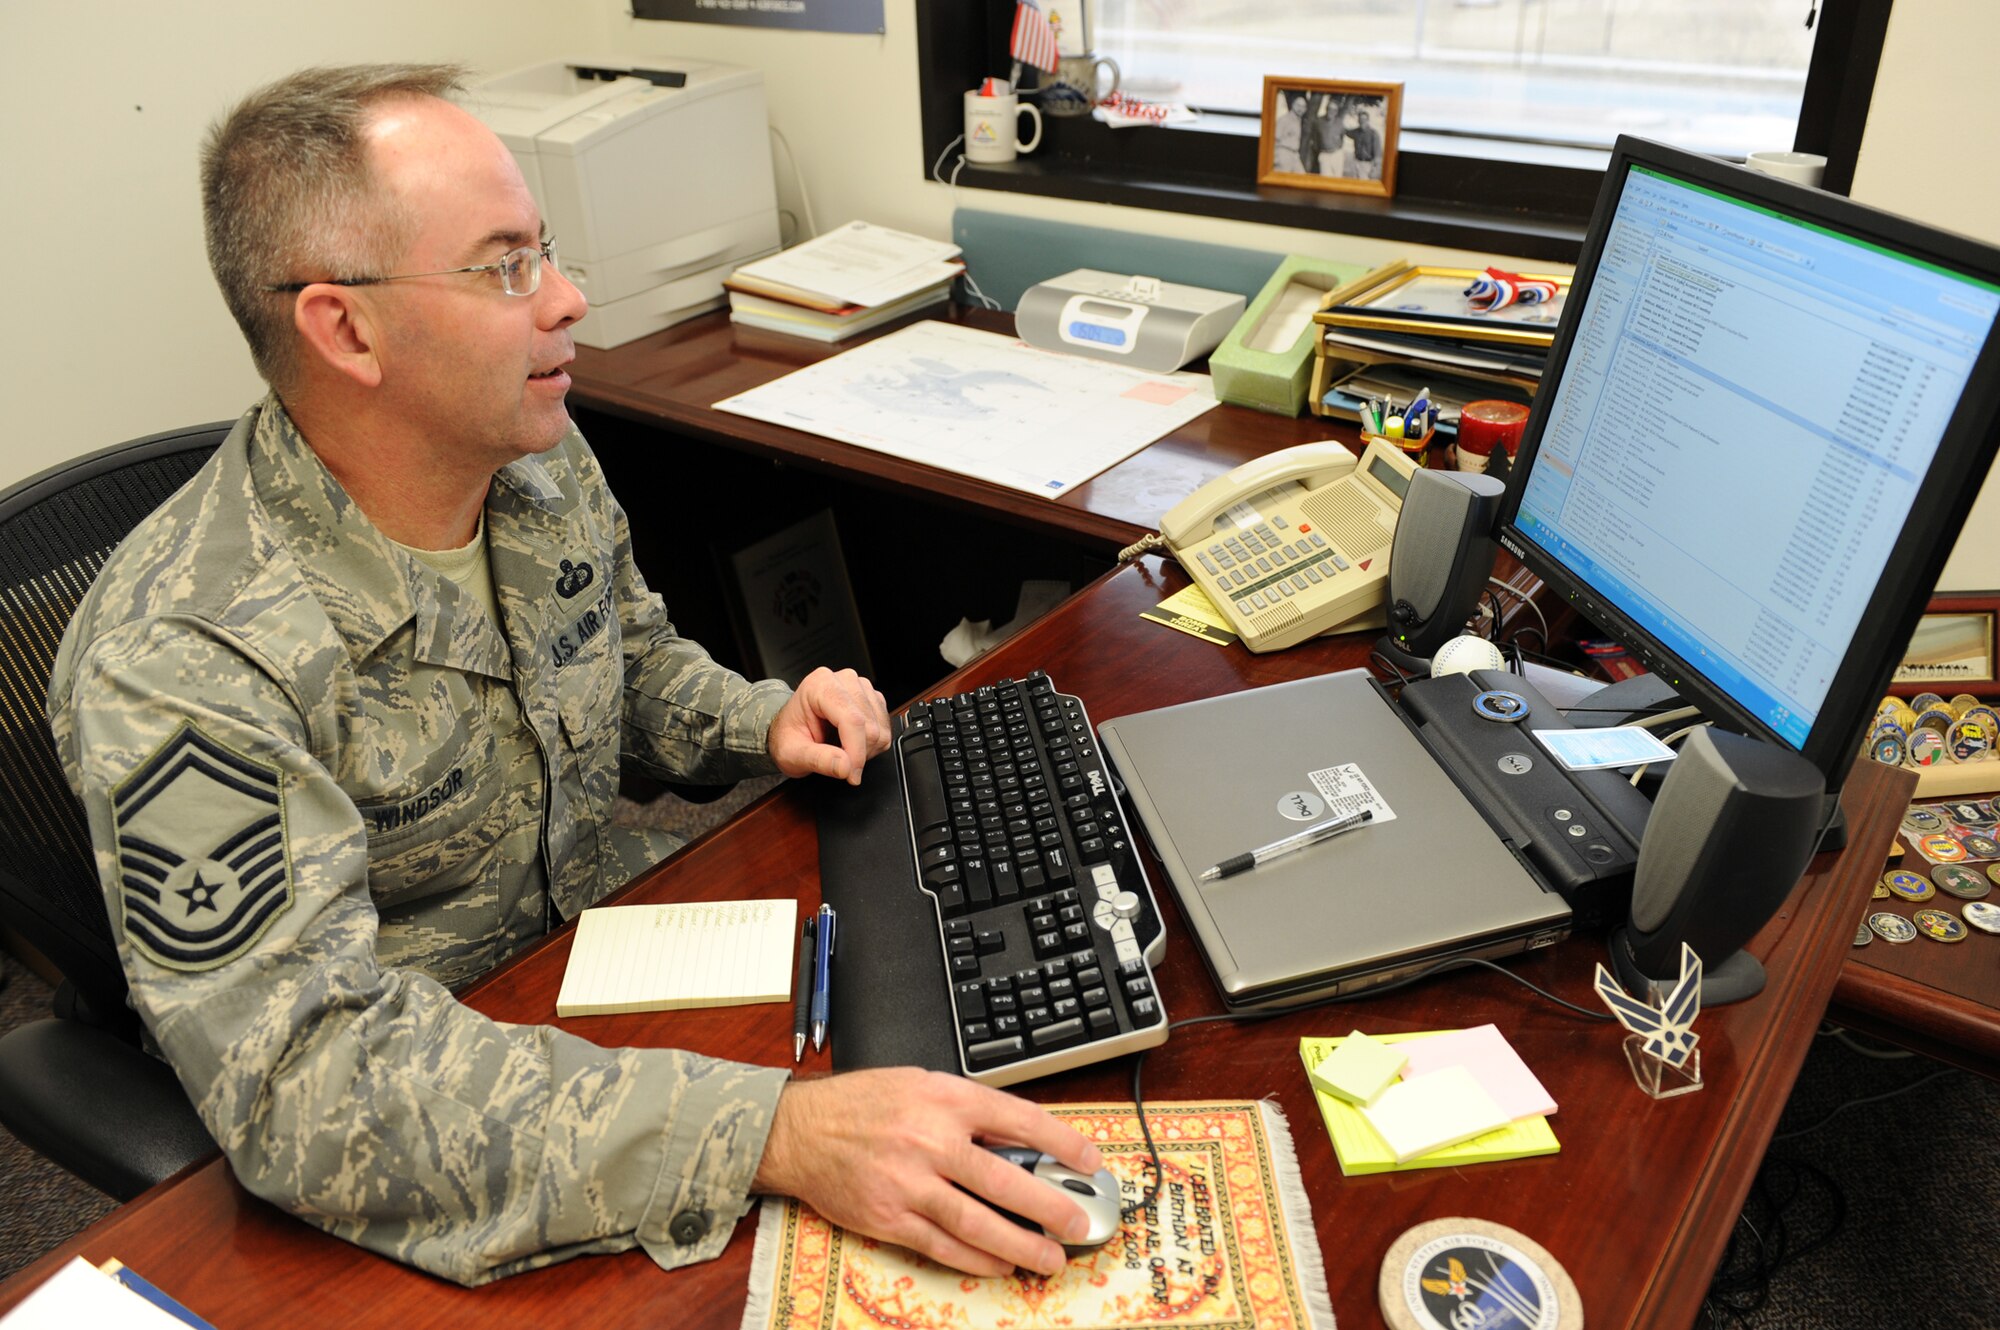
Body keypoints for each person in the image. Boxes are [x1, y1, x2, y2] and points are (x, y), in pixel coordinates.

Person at [47, 64, 1103, 1289]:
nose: (568, 298)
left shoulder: (530, 453)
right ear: (345, 328)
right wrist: (773, 1132)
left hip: (604, 978)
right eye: (505, 268)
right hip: (424, 1132)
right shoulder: (182, 656)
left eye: (544, 250)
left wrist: (764, 719)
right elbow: (309, 1083)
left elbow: (632, 658)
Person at [1273, 92, 1306, 173]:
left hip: (1294, 155)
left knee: (1302, 179)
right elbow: (1275, 138)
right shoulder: (1284, 119)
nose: (1300, 109)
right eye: (1298, 105)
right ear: (1293, 105)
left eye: (1303, 107)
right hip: (1284, 153)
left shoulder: (1299, 120)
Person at [1347, 107, 1382, 181]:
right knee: (1354, 185)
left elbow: (1378, 153)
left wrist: (1374, 168)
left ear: (1368, 120)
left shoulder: (1374, 134)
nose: (1362, 121)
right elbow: (1346, 132)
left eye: (1364, 119)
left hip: (1367, 164)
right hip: (1356, 162)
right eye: (1360, 119)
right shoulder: (1356, 132)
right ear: (1358, 120)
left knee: (1364, 185)